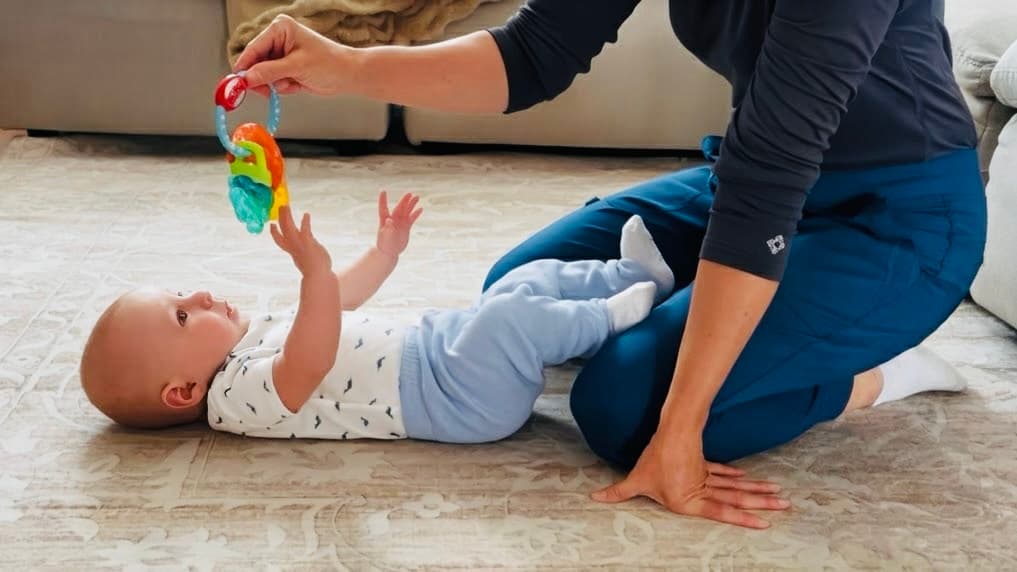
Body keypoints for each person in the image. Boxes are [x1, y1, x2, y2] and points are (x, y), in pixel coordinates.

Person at [231, 0, 983, 528]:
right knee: (520, 285)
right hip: (758, 189)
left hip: (894, 214)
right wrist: (347, 65)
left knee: (622, 412)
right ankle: (748, 318)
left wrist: (679, 428)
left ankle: (877, 367)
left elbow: (771, 171)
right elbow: (533, 56)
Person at [83, 194, 735, 474]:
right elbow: (306, 365)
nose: (197, 296)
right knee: (508, 320)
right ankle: (611, 316)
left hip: (441, 348)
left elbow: (337, 303)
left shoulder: (252, 332)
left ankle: (625, 275)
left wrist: (383, 252)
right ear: (181, 392)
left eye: (180, 293)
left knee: (516, 289)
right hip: (454, 398)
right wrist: (311, 274)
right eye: (180, 316)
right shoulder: (234, 401)